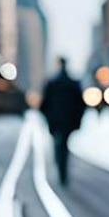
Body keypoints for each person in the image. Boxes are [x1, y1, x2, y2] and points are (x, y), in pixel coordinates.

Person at [40, 57, 85, 185]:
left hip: (56, 121)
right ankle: (62, 170)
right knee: (64, 145)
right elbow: (81, 106)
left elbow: (44, 105)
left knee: (58, 145)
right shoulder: (73, 83)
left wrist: (49, 118)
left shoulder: (52, 83)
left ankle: (60, 167)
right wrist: (77, 121)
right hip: (68, 122)